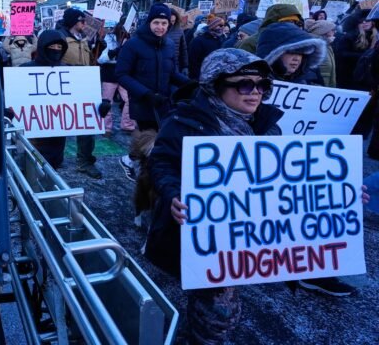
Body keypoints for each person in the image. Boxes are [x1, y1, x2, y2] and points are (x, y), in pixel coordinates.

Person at [144, 48, 371, 342]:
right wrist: (174, 193)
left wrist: (340, 192)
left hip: (247, 238)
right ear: (215, 85)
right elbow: (160, 163)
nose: (255, 93)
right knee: (219, 313)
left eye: (262, 85)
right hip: (202, 235)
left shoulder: (267, 124)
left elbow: (288, 177)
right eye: (244, 84)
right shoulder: (185, 122)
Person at [116, 3, 190, 132]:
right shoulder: (133, 44)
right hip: (142, 103)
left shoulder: (170, 45)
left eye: (164, 23)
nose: (160, 27)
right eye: (156, 23)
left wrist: (190, 84)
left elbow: (172, 73)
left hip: (164, 102)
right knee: (146, 142)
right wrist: (146, 94)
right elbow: (121, 74)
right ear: (149, 22)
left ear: (169, 25)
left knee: (162, 142)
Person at [59, 8, 103, 178]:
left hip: (83, 87)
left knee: (87, 125)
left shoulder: (84, 40)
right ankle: (56, 158)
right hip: (64, 87)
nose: (85, 24)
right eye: (82, 21)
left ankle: (85, 162)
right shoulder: (59, 37)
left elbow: (90, 63)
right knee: (59, 123)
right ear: (73, 22)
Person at [19, 30, 69, 169]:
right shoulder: (24, 70)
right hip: (34, 136)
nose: (56, 50)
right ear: (42, 47)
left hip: (58, 134)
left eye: (60, 47)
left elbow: (77, 103)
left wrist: (97, 108)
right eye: (52, 47)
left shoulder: (67, 71)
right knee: (32, 169)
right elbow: (15, 100)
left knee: (53, 168)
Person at [97, 19, 136, 134]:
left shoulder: (129, 39)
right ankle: (106, 127)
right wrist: (114, 52)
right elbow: (101, 59)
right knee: (107, 102)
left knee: (129, 100)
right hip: (109, 74)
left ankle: (127, 124)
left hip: (124, 74)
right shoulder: (108, 39)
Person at [256, 22, 326, 85]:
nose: (297, 59)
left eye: (301, 54)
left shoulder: (310, 80)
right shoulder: (255, 83)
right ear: (275, 55)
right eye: (291, 52)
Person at [334, 8, 375, 89]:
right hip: (350, 74)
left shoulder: (375, 36)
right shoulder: (350, 36)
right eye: (361, 21)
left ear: (373, 22)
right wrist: (363, 56)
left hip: (369, 75)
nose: (364, 22)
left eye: (367, 20)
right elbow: (341, 54)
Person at [237, 3, 303, 54]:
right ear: (273, 22)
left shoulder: (299, 42)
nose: (292, 25)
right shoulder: (252, 43)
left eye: (294, 22)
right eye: (287, 21)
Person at [187, 13, 225, 79]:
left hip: (215, 76)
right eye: (220, 25)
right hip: (200, 76)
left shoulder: (220, 40)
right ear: (213, 26)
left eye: (223, 25)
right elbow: (192, 61)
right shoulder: (198, 40)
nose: (222, 28)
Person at [305, 19, 337, 87]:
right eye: (332, 29)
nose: (334, 31)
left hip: (327, 75)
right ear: (323, 30)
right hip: (320, 78)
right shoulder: (314, 44)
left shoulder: (327, 42)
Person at [166, 6, 188, 75]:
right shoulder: (160, 30)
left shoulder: (179, 31)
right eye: (170, 21)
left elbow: (183, 50)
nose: (171, 23)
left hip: (175, 66)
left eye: (173, 21)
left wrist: (185, 66)